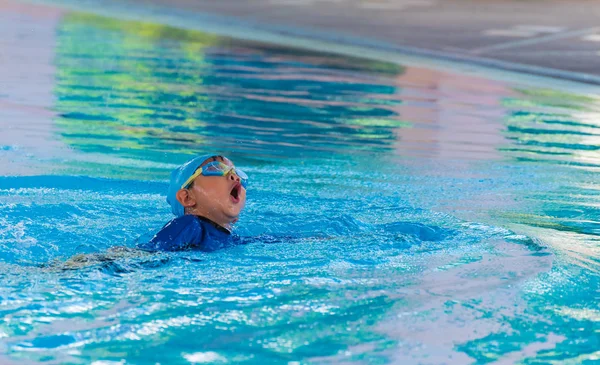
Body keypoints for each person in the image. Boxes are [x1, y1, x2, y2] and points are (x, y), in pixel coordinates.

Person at [137, 153, 248, 252]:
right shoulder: (189, 224)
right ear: (187, 198)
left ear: (235, 219)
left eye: (236, 172)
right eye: (216, 168)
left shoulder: (231, 238)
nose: (235, 177)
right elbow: (148, 252)